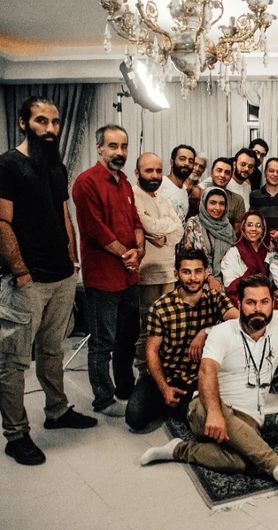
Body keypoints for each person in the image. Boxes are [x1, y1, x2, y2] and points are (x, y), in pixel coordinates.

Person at [139, 275, 278, 493]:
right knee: (233, 427)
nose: (258, 308)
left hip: (248, 418)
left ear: (272, 305)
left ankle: (178, 449)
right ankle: (277, 466)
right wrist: (214, 413)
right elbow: (206, 371)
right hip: (206, 409)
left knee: (238, 462)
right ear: (239, 305)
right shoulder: (222, 332)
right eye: (251, 302)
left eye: (264, 302)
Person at [0, 96, 96, 466]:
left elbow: (63, 215)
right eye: (42, 120)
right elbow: (2, 222)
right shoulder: (8, 165)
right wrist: (21, 271)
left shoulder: (55, 166)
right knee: (14, 361)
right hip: (27, 281)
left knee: (53, 350)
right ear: (24, 122)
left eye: (55, 122)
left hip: (62, 276)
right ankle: (16, 435)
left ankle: (57, 411)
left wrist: (71, 260)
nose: (51, 128)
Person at [73, 124, 144, 417]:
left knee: (128, 336)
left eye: (123, 146)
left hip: (129, 275)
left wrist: (138, 250)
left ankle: (125, 387)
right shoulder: (86, 182)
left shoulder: (124, 182)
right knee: (103, 342)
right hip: (103, 276)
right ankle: (103, 398)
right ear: (99, 148)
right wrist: (126, 254)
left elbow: (135, 221)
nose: (119, 152)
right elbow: (94, 229)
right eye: (113, 146)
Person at [125, 249, 238, 431]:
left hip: (196, 377)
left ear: (206, 273)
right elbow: (151, 351)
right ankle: (166, 400)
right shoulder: (161, 307)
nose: (193, 278)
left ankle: (178, 405)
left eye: (198, 271)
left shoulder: (215, 299)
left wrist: (206, 331)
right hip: (165, 373)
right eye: (186, 272)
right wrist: (164, 388)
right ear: (176, 274)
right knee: (134, 417)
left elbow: (239, 321)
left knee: (199, 420)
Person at [132, 152, 184, 367]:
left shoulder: (163, 199)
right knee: (147, 327)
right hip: (147, 273)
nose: (154, 175)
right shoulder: (133, 195)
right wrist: (161, 229)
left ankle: (162, 369)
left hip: (168, 272)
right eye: (149, 171)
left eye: (158, 171)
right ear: (137, 172)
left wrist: (162, 235)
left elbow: (179, 230)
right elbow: (147, 225)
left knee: (168, 325)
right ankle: (144, 370)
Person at [180, 187, 235, 290]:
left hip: (226, 280)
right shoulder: (193, 224)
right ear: (204, 204)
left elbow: (232, 258)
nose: (217, 208)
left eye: (221, 204)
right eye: (212, 203)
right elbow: (188, 258)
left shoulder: (228, 228)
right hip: (198, 282)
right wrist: (209, 278)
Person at [221, 210, 271, 306]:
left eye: (258, 226)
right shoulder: (233, 253)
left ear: (263, 230)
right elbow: (230, 285)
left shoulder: (268, 254)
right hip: (239, 301)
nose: (254, 229)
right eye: (250, 225)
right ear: (243, 228)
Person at [199, 157, 246, 231]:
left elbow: (238, 231)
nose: (222, 175)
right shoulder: (200, 195)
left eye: (227, 172)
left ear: (231, 176)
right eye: (219, 170)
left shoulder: (237, 200)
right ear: (211, 172)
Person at [159, 144, 196, 223]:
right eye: (182, 159)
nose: (187, 163)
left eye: (191, 161)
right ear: (172, 162)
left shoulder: (184, 192)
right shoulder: (160, 183)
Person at [185, 153, 207, 219]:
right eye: (195, 164)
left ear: (203, 170)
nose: (197, 169)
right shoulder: (176, 183)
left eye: (201, 167)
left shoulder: (201, 191)